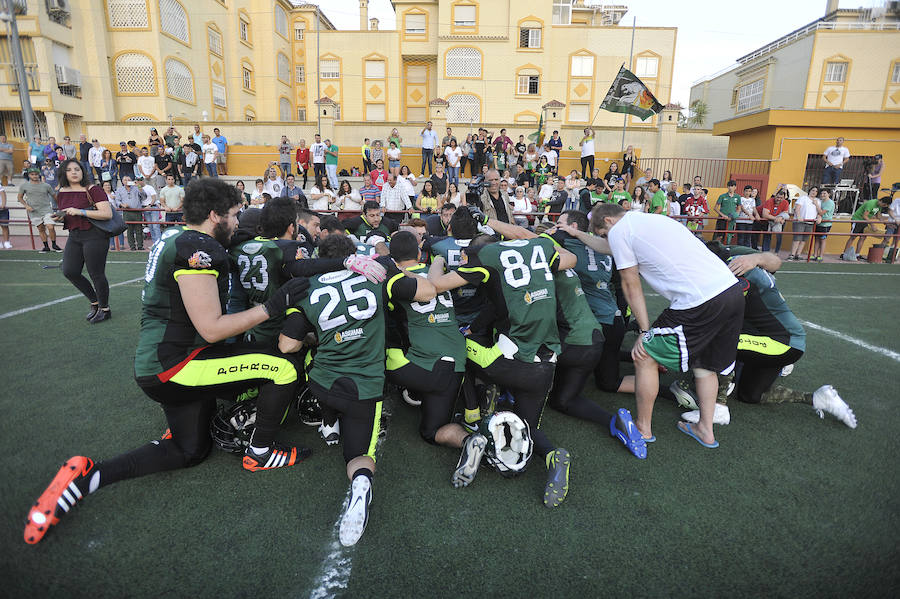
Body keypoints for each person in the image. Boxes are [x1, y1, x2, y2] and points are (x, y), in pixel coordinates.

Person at [23, 178, 315, 545]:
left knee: (188, 451)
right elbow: (212, 330)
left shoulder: (176, 237)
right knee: (283, 367)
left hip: (162, 362)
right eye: (235, 214)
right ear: (214, 215)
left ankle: (84, 480)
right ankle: (260, 452)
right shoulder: (198, 248)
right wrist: (273, 306)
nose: (239, 222)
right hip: (178, 364)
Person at [276, 234, 425, 547]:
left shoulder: (307, 288)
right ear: (355, 255)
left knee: (316, 370)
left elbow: (287, 344)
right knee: (357, 456)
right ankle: (360, 487)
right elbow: (425, 291)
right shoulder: (377, 275)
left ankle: (329, 423)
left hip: (322, 382)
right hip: (363, 387)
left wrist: (320, 335)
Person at [428, 211, 578, 507]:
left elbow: (436, 285)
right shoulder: (540, 245)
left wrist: (436, 262)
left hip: (509, 363)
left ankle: (473, 411)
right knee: (529, 427)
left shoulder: (485, 256)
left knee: (457, 345)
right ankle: (552, 455)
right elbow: (568, 257)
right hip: (546, 366)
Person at [571, 202, 744, 449]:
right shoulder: (650, 220)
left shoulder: (620, 231)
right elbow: (609, 247)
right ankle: (705, 429)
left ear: (609, 221)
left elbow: (631, 284)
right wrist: (578, 234)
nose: (607, 238)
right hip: (731, 292)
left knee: (644, 356)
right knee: (705, 364)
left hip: (699, 300)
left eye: (604, 233)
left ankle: (643, 428)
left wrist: (644, 331)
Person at [673, 242, 856, 429]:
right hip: (775, 339)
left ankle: (718, 408)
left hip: (781, 342)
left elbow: (716, 324)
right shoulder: (731, 257)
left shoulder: (727, 276)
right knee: (750, 395)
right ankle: (817, 398)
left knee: (718, 341)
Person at [381, 231, 487, 488]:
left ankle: (371, 411)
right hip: (453, 367)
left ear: (393, 258)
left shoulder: (393, 279)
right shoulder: (437, 271)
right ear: (419, 252)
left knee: (374, 352)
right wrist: (437, 262)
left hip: (421, 365)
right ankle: (468, 441)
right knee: (432, 431)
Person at [51, 159, 115, 323]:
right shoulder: (62, 191)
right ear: (64, 173)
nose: (74, 172)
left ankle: (105, 309)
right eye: (70, 170)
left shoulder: (93, 189)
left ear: (83, 172)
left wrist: (80, 212)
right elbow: (68, 214)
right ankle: (95, 302)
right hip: (75, 235)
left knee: (96, 274)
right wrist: (59, 218)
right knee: (69, 271)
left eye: (77, 169)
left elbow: (106, 214)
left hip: (95, 235)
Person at [18, 167, 61, 252]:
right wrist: (26, 206)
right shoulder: (24, 186)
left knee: (50, 226)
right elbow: (20, 198)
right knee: (41, 229)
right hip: (33, 211)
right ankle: (46, 246)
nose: (34, 176)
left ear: (39, 175)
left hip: (46, 209)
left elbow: (55, 197)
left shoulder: (46, 185)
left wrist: (60, 207)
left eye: (36, 174)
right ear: (29, 175)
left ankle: (54, 245)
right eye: (32, 174)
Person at [842, 196, 892, 260]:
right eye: (884, 205)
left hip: (865, 222)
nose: (883, 206)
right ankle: (844, 253)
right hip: (857, 220)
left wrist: (886, 223)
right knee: (853, 237)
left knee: (863, 237)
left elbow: (879, 216)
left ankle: (857, 254)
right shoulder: (871, 203)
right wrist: (872, 225)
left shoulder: (879, 206)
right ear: (882, 201)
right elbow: (865, 216)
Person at [788, 186, 818, 261]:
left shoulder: (818, 201)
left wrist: (819, 217)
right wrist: (798, 216)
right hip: (800, 221)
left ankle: (798, 254)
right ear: (809, 191)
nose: (814, 192)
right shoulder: (803, 198)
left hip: (810, 222)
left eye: (816, 191)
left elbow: (820, 211)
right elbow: (797, 208)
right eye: (813, 190)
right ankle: (792, 254)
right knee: (797, 238)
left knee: (804, 239)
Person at [116, 176, 144, 250]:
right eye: (125, 180)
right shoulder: (119, 189)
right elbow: (117, 201)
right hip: (127, 211)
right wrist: (122, 205)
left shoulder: (136, 188)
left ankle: (140, 246)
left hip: (137, 211)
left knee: (139, 229)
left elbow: (144, 196)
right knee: (129, 230)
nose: (127, 181)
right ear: (122, 181)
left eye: (129, 180)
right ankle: (132, 246)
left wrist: (138, 186)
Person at [762, 187, 790, 254]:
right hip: (768, 219)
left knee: (779, 235)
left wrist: (781, 218)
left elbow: (786, 213)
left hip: (779, 219)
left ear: (784, 198)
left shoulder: (786, 202)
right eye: (777, 197)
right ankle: (765, 253)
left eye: (781, 198)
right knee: (767, 235)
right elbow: (765, 215)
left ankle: (776, 252)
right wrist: (776, 219)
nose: (779, 199)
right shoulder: (769, 201)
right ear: (775, 196)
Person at [135, 176, 161, 246]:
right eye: (138, 180)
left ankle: (159, 243)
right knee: (151, 226)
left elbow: (154, 197)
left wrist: (149, 205)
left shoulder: (149, 187)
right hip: (145, 208)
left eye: (140, 180)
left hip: (152, 207)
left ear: (143, 180)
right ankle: (155, 243)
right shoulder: (136, 188)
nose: (139, 182)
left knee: (155, 226)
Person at [102, 179, 126, 251]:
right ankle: (112, 245)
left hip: (117, 213)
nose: (107, 186)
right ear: (103, 187)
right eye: (105, 185)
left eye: (109, 185)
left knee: (119, 229)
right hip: (107, 213)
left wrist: (115, 198)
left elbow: (119, 202)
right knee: (110, 229)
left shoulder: (115, 193)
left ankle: (121, 244)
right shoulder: (102, 195)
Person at [813, 189, 834, 261]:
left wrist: (816, 205)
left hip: (825, 224)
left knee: (822, 239)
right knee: (816, 239)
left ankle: (820, 256)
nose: (822, 195)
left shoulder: (830, 203)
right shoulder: (820, 201)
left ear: (829, 194)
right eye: (821, 193)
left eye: (824, 193)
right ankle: (815, 254)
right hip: (818, 223)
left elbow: (821, 212)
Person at [0, 180, 10, 248]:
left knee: (4, 226)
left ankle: (6, 242)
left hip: (2, 209)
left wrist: (3, 204)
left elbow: (2, 193)